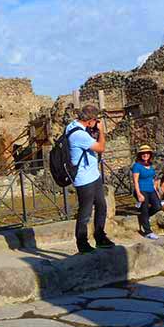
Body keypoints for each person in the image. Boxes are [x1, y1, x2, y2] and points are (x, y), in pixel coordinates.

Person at [67, 105, 116, 254]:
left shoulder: (72, 126)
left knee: (101, 205)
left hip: (93, 175)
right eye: (95, 120)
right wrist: (101, 130)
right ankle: (82, 243)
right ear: (90, 121)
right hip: (83, 179)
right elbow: (101, 148)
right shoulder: (79, 135)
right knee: (85, 212)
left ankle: (100, 237)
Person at [131, 144, 161, 240]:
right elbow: (135, 180)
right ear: (140, 155)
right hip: (141, 189)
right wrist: (139, 194)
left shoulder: (150, 165)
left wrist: (156, 191)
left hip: (151, 189)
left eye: (147, 153)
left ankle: (145, 217)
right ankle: (148, 231)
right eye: (143, 153)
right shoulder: (137, 166)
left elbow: (152, 179)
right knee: (144, 208)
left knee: (158, 206)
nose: (145, 155)